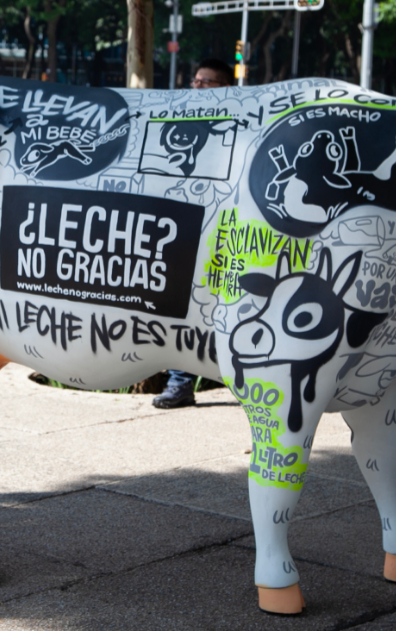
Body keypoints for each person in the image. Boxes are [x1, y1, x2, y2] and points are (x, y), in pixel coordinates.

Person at [152, 58, 235, 410]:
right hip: (183, 229)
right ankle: (180, 381)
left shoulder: (234, 127)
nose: (198, 87)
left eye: (208, 82)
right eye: (196, 81)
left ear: (227, 89)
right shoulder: (178, 119)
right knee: (177, 306)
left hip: (224, 231)